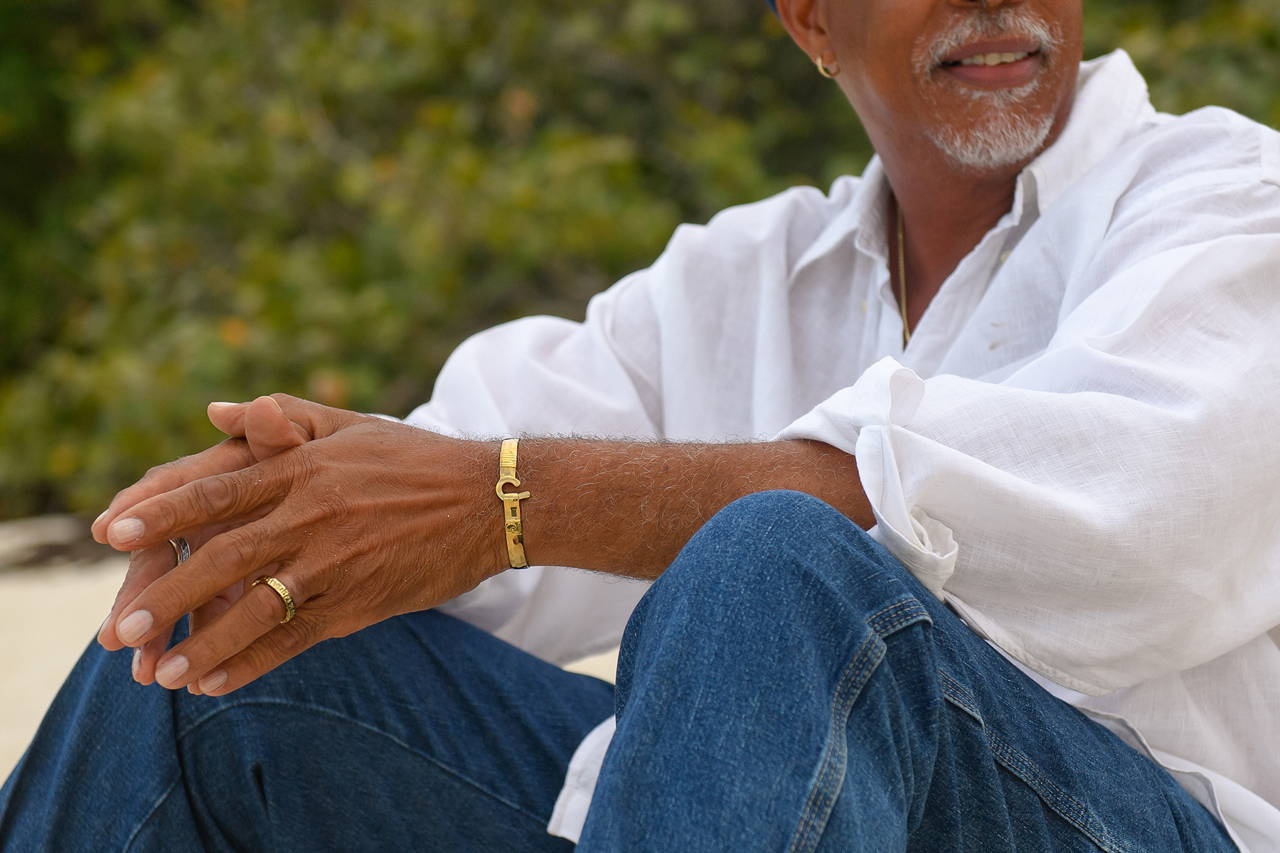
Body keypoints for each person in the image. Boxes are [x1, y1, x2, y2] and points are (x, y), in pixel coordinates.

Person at [3, 0, 1279, 849]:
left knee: (770, 562)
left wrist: (506, 499)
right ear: (807, 16)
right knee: (221, 646)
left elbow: (1134, 519)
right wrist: (293, 506)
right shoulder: (746, 275)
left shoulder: (1224, 200)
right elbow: (456, 484)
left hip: (1117, 823)